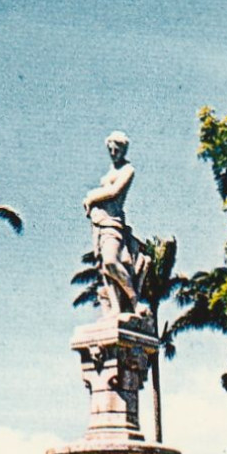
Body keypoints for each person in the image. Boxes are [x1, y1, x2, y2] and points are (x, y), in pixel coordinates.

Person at [83, 131, 147, 317]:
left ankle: (135, 302)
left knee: (111, 261)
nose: (113, 152)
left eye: (117, 149)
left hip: (113, 222)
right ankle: (115, 308)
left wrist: (90, 198)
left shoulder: (128, 170)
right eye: (110, 149)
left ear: (124, 149)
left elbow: (114, 191)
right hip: (98, 222)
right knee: (104, 266)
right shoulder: (111, 170)